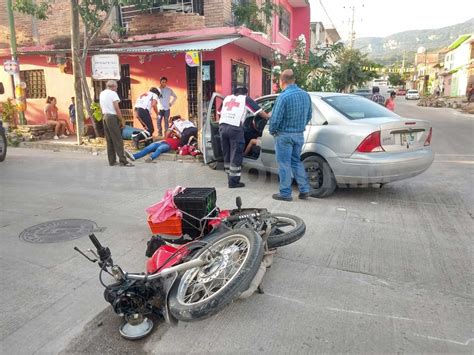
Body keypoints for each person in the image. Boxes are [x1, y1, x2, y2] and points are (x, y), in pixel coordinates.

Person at [269, 69, 311, 202]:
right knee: (296, 162)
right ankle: (304, 190)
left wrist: (273, 131)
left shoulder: (283, 97)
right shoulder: (306, 95)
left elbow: (275, 119)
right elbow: (309, 115)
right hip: (299, 135)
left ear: (282, 82)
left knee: (284, 164)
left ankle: (285, 193)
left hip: (284, 135)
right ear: (294, 80)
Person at [219, 87, 269, 188]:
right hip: (235, 128)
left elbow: (219, 113)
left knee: (227, 153)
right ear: (246, 93)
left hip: (222, 127)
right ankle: (234, 182)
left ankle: (230, 176)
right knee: (236, 154)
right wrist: (269, 117)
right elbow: (259, 111)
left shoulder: (227, 98)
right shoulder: (245, 99)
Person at [99, 80, 133, 167]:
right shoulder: (113, 93)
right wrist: (121, 119)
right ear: (113, 86)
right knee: (118, 140)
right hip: (112, 117)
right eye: (116, 87)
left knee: (109, 140)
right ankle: (123, 161)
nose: (117, 88)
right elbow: (116, 107)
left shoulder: (102, 93)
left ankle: (112, 161)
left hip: (105, 116)